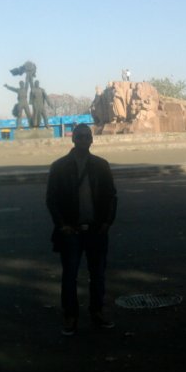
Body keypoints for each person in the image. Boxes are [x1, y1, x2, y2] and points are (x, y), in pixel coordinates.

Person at [46, 123, 118, 336]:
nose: (84, 139)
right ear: (73, 139)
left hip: (96, 229)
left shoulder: (101, 165)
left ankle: (97, 311)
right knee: (70, 275)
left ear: (92, 139)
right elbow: (51, 199)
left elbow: (111, 197)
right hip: (72, 230)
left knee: (98, 275)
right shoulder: (59, 166)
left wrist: (107, 222)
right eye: (79, 136)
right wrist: (62, 225)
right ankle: (70, 315)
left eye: (87, 136)